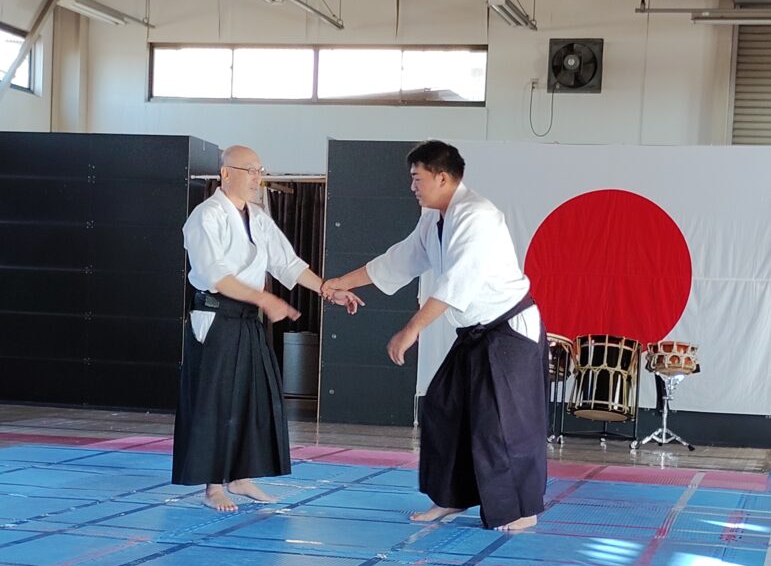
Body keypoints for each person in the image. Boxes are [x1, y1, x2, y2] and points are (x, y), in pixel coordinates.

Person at [322, 140, 548, 532]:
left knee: (503, 422)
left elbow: (456, 282)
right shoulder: (433, 219)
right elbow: (400, 259)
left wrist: (410, 330)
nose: (412, 186)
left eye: (417, 178)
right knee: (443, 408)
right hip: (477, 333)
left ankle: (521, 509)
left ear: (442, 178)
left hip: (510, 330)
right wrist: (344, 281)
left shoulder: (478, 215)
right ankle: (450, 497)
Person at [172, 144, 362, 512]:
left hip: (247, 319)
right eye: (251, 170)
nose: (258, 178)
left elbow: (287, 263)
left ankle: (241, 476)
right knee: (216, 400)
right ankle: (213, 486)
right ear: (226, 173)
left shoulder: (257, 218)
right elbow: (217, 276)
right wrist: (265, 299)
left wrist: (327, 289)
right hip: (215, 318)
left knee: (253, 397)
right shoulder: (206, 216)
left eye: (260, 171)